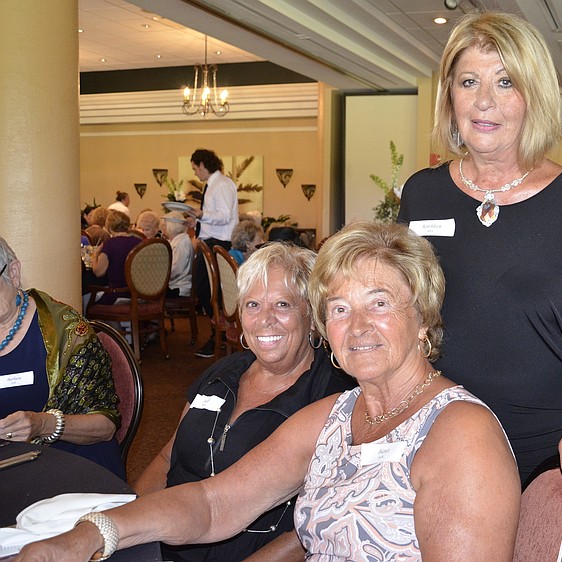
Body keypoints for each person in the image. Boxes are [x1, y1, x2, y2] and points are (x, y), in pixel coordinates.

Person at [16, 222, 520, 562]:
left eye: (379, 302)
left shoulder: (460, 435)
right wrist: (91, 533)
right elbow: (214, 503)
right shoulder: (336, 415)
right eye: (339, 309)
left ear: (424, 317)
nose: (357, 326)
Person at [397, 11, 562, 529]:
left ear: (534, 96)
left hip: (546, 448)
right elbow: (408, 320)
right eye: (468, 82)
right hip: (439, 435)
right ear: (449, 95)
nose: (484, 101)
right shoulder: (422, 193)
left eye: (505, 82)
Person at [132, 243, 354, 562]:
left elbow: (311, 529)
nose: (265, 320)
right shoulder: (222, 373)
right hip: (163, 540)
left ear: (311, 314)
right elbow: (168, 457)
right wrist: (128, 526)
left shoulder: (332, 399)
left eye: (282, 304)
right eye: (252, 305)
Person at [0, 236, 124, 479]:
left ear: (13, 273)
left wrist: (45, 424)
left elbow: (106, 426)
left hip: (70, 466)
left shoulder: (68, 334)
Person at [185, 148, 239, 358]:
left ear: (203, 164)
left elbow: (224, 216)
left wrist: (202, 214)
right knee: (207, 290)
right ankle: (218, 332)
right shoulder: (213, 184)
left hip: (219, 242)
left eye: (195, 168)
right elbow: (215, 216)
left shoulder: (222, 184)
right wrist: (197, 221)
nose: (195, 173)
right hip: (211, 240)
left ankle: (220, 332)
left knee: (210, 290)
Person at [89, 210, 142, 305]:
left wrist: (95, 254)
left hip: (116, 294)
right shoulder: (139, 242)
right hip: (138, 294)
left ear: (109, 226)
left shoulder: (110, 244)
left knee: (88, 300)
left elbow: (98, 272)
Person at [160, 212, 193, 298]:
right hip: (173, 284)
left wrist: (158, 277)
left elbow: (177, 269)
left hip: (178, 287)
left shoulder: (181, 243)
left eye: (164, 225)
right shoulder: (176, 240)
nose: (162, 228)